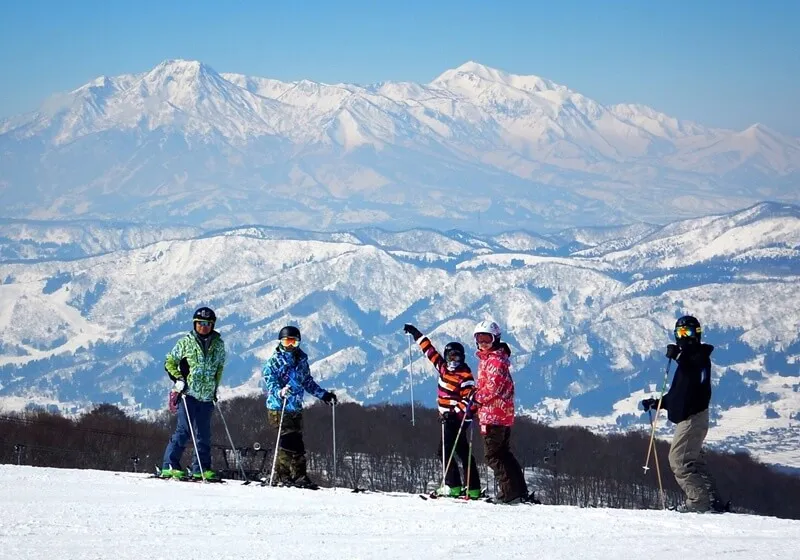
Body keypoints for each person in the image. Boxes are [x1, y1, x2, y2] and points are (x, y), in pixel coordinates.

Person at [641, 315, 727, 513]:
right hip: (691, 418)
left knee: (679, 460)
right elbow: (680, 394)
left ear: (696, 334)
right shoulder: (690, 361)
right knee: (693, 460)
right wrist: (658, 403)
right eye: (679, 333)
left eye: (686, 332)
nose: (682, 337)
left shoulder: (700, 358)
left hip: (693, 418)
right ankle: (712, 500)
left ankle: (699, 503)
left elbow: (693, 372)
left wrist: (678, 357)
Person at [403, 323, 481, 499]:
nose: (454, 360)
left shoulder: (465, 376)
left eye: (457, 357)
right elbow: (429, 351)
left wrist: (452, 413)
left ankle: (453, 486)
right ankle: (473, 488)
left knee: (444, 451)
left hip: (457, 419)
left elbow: (468, 400)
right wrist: (416, 333)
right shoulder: (443, 368)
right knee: (461, 451)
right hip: (447, 418)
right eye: (451, 356)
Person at [262, 325, 337, 488]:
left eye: (293, 343)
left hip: (295, 408)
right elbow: (270, 383)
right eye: (287, 342)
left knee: (297, 443)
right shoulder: (274, 362)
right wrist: (280, 392)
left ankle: (299, 475)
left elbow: (307, 382)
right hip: (278, 408)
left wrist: (323, 395)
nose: (290, 346)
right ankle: (282, 475)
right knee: (287, 440)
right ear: (280, 342)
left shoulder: (301, 361)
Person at [161, 306, 226, 481]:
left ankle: (201, 468)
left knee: (204, 434)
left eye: (207, 324)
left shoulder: (218, 345)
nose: (204, 327)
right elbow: (170, 362)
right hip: (188, 394)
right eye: (200, 324)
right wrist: (179, 379)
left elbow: (219, 368)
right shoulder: (186, 342)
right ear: (195, 324)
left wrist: (214, 389)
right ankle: (169, 465)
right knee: (184, 430)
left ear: (212, 325)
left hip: (206, 396)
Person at [471, 320, 529, 504]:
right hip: (499, 413)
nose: (483, 343)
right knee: (504, 453)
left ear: (495, 339)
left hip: (493, 414)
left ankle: (509, 493)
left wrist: (476, 398)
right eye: (479, 338)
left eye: (487, 338)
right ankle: (518, 490)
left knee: (493, 455)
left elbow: (492, 388)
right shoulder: (491, 359)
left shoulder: (494, 361)